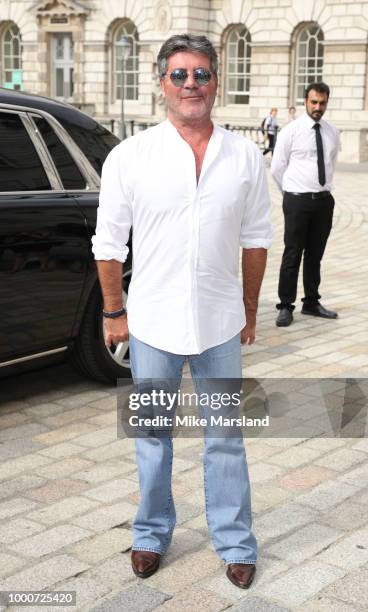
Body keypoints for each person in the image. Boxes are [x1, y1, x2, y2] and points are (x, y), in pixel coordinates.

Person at [92, 33, 273, 589]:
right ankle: (150, 534)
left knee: (226, 436)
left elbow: (257, 238)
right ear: (162, 83)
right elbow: (108, 243)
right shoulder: (131, 156)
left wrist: (248, 307)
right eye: (179, 75)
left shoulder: (243, 156)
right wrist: (113, 312)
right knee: (152, 434)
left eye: (201, 74)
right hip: (151, 323)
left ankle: (236, 543)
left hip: (219, 322)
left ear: (215, 81)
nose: (191, 84)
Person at [271, 82, 340, 327]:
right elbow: (277, 167)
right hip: (297, 200)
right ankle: (285, 305)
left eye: (322, 103)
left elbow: (331, 161)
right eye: (313, 102)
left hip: (323, 202)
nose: (317, 107)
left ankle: (311, 302)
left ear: (327, 102)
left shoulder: (332, 131)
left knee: (315, 255)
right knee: (292, 254)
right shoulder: (291, 131)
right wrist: (290, 195)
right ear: (305, 101)